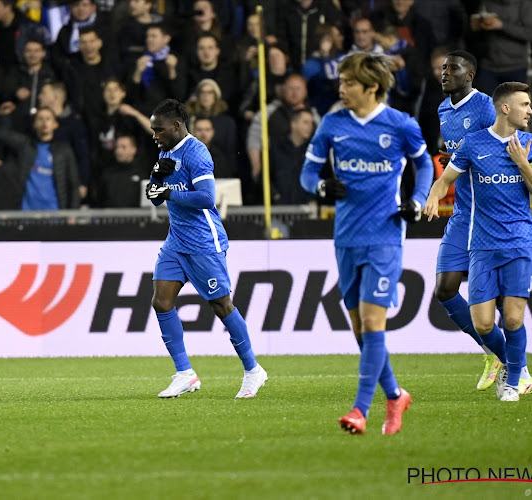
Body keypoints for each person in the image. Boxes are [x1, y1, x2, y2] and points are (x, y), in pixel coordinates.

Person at [300, 53, 433, 434]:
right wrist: (322, 186)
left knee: (374, 321)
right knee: (361, 330)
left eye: (348, 84)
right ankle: (395, 395)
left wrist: (419, 198)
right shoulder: (332, 123)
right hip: (346, 236)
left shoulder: (401, 125)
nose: (341, 90)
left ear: (372, 87)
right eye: (340, 83)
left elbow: (424, 165)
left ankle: (360, 410)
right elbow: (307, 172)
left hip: (385, 235)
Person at [145, 98, 267, 399]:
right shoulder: (165, 151)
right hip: (176, 240)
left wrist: (168, 191)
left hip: (203, 242)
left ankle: (253, 370)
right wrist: (157, 177)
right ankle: (185, 373)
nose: (154, 136)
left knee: (222, 306)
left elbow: (207, 198)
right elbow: (155, 197)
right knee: (161, 302)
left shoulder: (197, 153)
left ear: (176, 126)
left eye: (158, 130)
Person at [425, 81, 532, 402]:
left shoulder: (528, 143)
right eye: (524, 104)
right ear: (505, 108)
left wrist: (522, 163)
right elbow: (445, 179)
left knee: (513, 317)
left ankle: (514, 380)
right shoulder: (473, 144)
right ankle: (511, 365)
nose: (530, 110)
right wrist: (432, 196)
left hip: (518, 241)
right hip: (482, 244)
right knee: (484, 324)